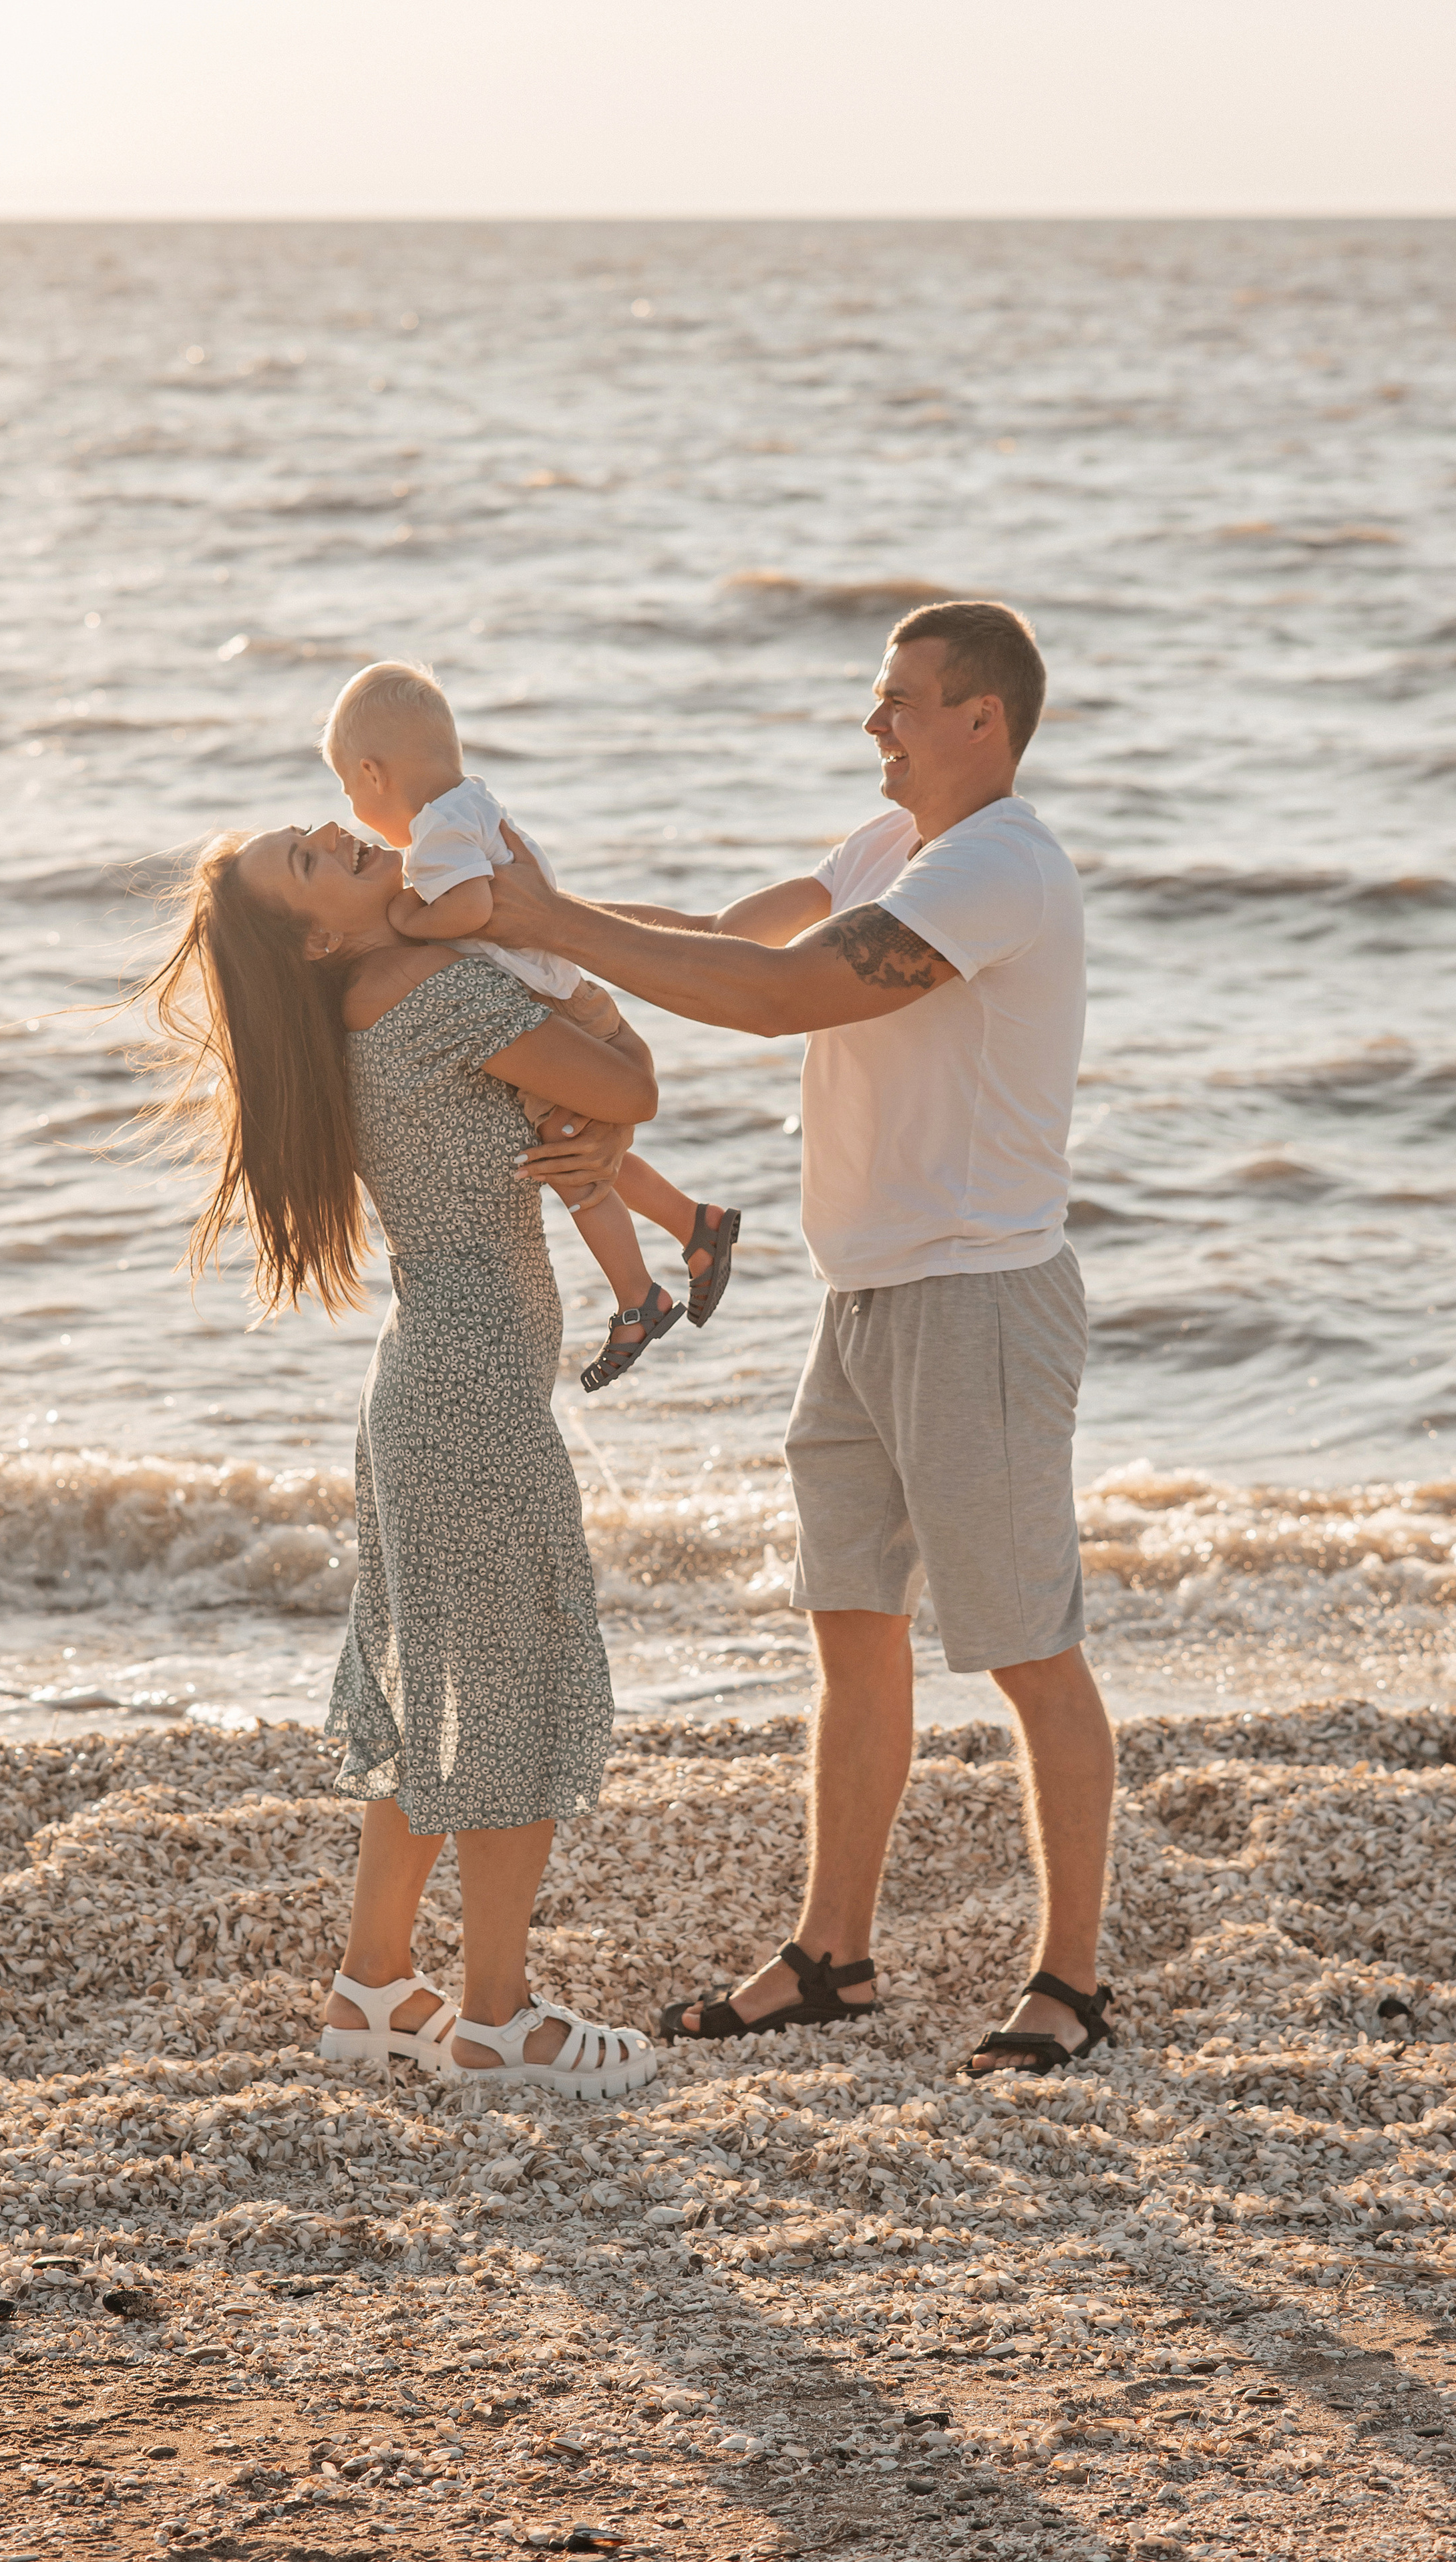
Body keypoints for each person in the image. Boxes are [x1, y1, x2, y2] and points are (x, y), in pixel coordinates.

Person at [490, 600, 1118, 2078]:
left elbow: (781, 1000)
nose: (872, 721)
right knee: (852, 1625)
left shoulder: (999, 868)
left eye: (900, 699)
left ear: (982, 719)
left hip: (977, 1299)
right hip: (865, 1298)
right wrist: (515, 926)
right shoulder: (889, 843)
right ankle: (833, 1957)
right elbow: (728, 942)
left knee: (1028, 1651)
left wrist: (548, 924)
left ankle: (1072, 1984)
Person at [136, 817, 658, 2098]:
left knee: (438, 1686)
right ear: (319, 939)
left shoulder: (367, 1004)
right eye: (310, 861)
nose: (334, 832)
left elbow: (588, 1110)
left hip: (424, 1383)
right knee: (509, 1688)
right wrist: (581, 1002)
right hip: (467, 1393)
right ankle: (498, 2022)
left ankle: (373, 1988)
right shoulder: (429, 987)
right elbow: (627, 1088)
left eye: (312, 831)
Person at [323, 658, 740, 1391]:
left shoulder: (436, 835)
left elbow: (472, 908)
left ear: (372, 772)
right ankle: (692, 1224)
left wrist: (407, 917)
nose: (351, 808)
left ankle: (639, 1295)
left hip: (549, 1003)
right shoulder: (472, 803)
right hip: (564, 989)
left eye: (347, 788)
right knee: (578, 1143)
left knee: (571, 1158)